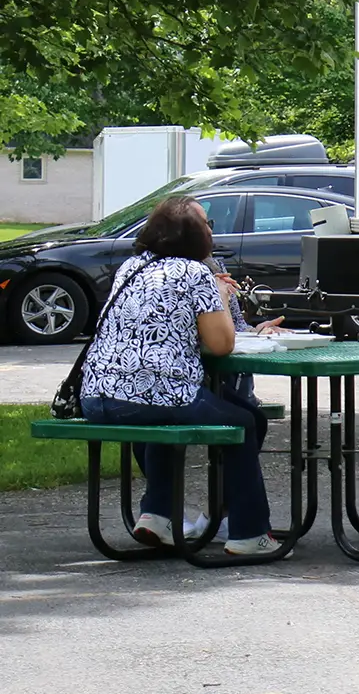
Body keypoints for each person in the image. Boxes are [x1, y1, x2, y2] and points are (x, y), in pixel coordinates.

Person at [76, 196, 278, 557]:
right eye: (207, 225)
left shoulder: (132, 266)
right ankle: (248, 533)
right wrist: (219, 296)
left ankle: (158, 515)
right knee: (245, 421)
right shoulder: (196, 274)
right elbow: (222, 345)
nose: (211, 232)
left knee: (170, 417)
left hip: (97, 395)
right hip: (155, 391)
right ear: (195, 235)